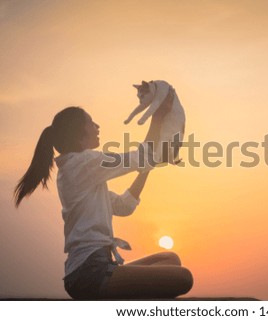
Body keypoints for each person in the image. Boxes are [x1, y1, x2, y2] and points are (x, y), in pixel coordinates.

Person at [14, 88, 193, 299]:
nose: (97, 126)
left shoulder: (82, 172)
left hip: (94, 269)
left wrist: (147, 167)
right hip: (90, 273)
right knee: (184, 277)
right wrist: (158, 118)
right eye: (91, 123)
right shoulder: (82, 163)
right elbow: (141, 156)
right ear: (79, 136)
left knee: (170, 259)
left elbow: (123, 206)